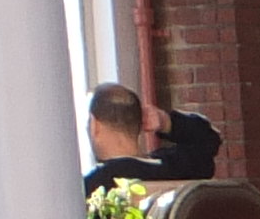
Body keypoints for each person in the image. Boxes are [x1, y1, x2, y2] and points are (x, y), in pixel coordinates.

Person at [83, 83, 221, 195]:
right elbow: (209, 139)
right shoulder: (178, 168)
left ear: (95, 125)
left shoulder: (89, 189)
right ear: (141, 120)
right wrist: (166, 122)